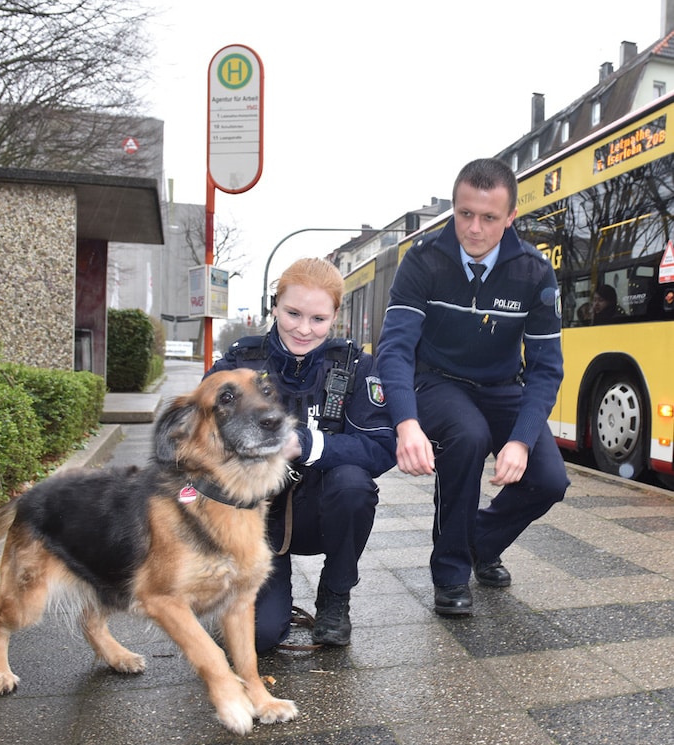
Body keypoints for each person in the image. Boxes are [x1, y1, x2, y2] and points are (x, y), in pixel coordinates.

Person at [375, 158, 570, 616]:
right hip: (437, 381)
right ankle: (450, 572)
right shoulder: (423, 261)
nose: (475, 229)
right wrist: (406, 424)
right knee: (468, 435)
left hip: (503, 386)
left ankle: (479, 541)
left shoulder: (534, 272)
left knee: (549, 480)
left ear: (510, 219)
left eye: (489, 218)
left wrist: (521, 441)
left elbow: (545, 368)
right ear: (454, 209)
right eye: (465, 214)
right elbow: (395, 349)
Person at [206, 257, 396, 649]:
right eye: (292, 313)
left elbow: (382, 448)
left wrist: (304, 444)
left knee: (354, 483)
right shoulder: (240, 362)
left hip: (323, 510)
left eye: (318, 319)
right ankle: (243, 591)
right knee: (258, 637)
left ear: (335, 317)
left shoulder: (355, 366)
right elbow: (197, 437)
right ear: (274, 306)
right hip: (255, 520)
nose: (304, 329)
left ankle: (335, 595)